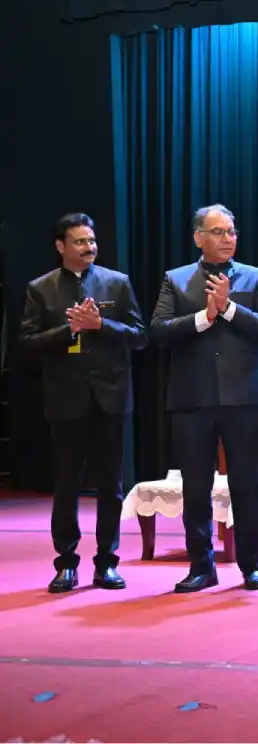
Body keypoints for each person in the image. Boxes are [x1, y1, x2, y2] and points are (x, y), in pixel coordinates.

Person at [150, 204, 258, 593]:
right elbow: (158, 330)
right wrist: (203, 317)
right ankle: (201, 564)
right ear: (198, 237)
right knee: (196, 485)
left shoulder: (255, 277)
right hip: (193, 397)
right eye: (219, 232)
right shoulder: (177, 279)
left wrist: (229, 308)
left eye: (232, 232)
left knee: (248, 483)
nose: (228, 239)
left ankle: (252, 564)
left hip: (244, 398)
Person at [19, 213, 147, 593]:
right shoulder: (40, 289)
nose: (89, 247)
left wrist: (100, 326)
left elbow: (140, 336)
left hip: (110, 398)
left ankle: (107, 562)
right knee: (67, 484)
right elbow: (26, 344)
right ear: (60, 246)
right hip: (66, 399)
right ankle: (66, 563)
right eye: (79, 242)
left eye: (91, 241)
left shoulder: (117, 283)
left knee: (111, 485)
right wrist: (68, 329)